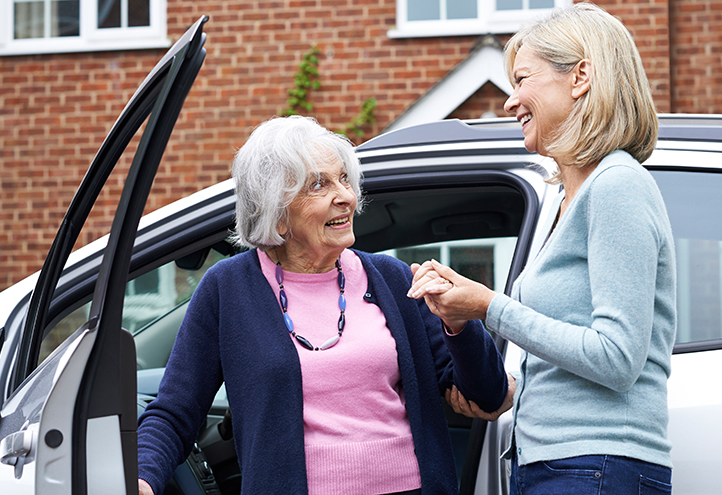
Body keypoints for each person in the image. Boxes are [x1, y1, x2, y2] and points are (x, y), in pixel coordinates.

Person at [136, 115, 509, 495]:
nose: (346, 195)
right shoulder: (227, 288)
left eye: (344, 178)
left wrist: (459, 323)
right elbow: (175, 410)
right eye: (319, 184)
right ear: (277, 212)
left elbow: (487, 394)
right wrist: (142, 478)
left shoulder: (394, 279)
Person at [409, 3, 676, 494]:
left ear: (580, 77)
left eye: (524, 80)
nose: (511, 102)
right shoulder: (569, 199)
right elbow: (574, 346)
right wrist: (519, 389)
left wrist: (489, 305)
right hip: (561, 466)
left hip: (592, 466)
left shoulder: (617, 185)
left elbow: (617, 358)